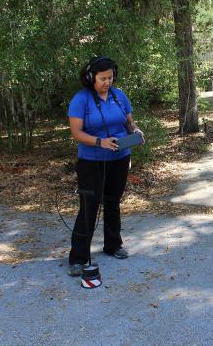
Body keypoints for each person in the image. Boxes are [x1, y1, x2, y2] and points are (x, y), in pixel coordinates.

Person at [66, 56, 144, 276]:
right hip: (91, 161)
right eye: (102, 78)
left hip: (119, 159)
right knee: (89, 207)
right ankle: (78, 257)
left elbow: (129, 122)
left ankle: (113, 245)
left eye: (110, 77)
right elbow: (77, 132)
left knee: (113, 202)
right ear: (91, 77)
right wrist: (100, 142)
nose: (107, 82)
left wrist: (135, 132)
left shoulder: (119, 96)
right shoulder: (81, 99)